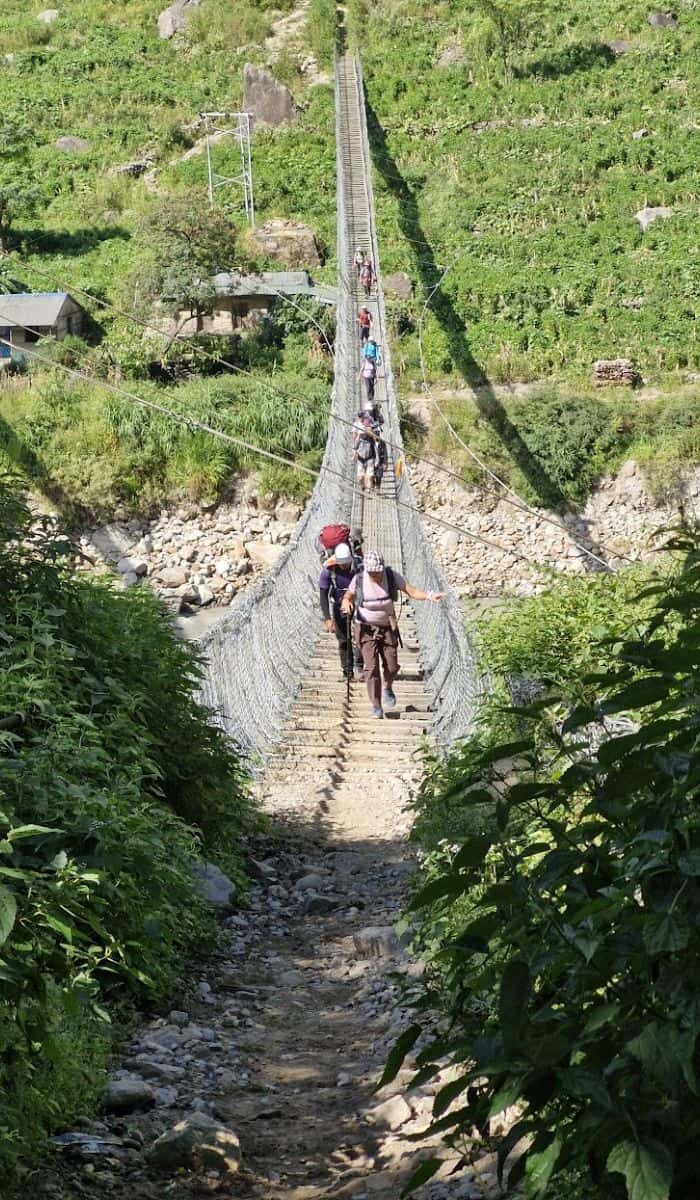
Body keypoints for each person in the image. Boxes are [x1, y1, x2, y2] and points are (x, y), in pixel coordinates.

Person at [341, 550, 445, 717]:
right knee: (371, 667)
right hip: (366, 628)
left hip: (387, 626)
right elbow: (349, 595)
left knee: (392, 666)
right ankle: (376, 705)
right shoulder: (359, 579)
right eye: (372, 572)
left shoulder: (391, 576)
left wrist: (430, 596)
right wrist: (346, 602)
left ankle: (387, 687)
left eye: (377, 571)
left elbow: (411, 591)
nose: (375, 575)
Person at [319, 542, 362, 680]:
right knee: (343, 639)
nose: (344, 567)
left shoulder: (359, 566)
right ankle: (347, 670)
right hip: (338, 605)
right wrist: (327, 618)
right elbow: (323, 594)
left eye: (346, 564)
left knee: (361, 636)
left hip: (359, 603)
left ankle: (361, 666)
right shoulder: (329, 570)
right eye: (341, 564)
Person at [352, 416, 380, 491]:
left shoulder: (371, 439)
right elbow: (354, 447)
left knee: (369, 476)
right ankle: (362, 486)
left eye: (364, 434)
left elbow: (375, 449)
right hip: (360, 459)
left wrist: (377, 460)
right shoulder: (359, 438)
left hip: (369, 458)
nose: (363, 435)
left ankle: (368, 491)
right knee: (360, 478)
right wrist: (354, 456)